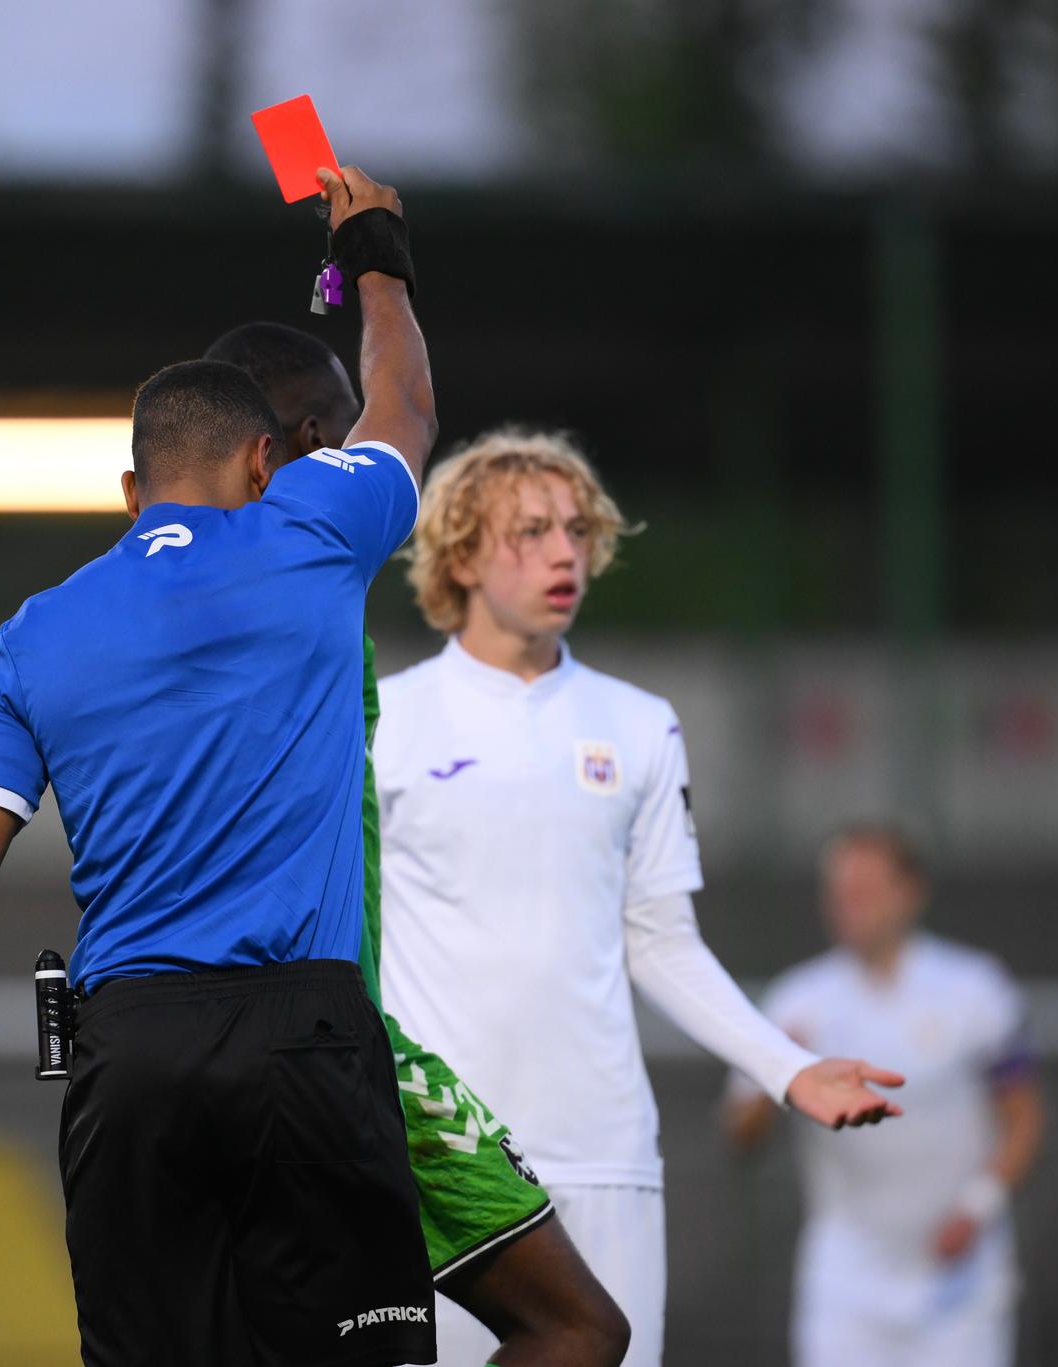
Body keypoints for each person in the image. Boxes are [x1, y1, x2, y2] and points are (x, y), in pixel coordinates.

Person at [0, 164, 443, 1367]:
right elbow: (402, 413)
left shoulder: (24, 643)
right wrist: (378, 259)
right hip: (308, 1034)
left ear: (130, 489)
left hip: (130, 1052)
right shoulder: (309, 530)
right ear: (263, 463)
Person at [371, 430, 907, 1366]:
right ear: (459, 554)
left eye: (577, 530)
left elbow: (661, 939)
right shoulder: (387, 720)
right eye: (530, 531)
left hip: (605, 1148)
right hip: (442, 1161)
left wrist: (787, 1068)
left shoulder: (638, 724)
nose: (564, 552)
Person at [206, 320, 633, 1367]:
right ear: (296, 449)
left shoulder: (101, 619)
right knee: (580, 1327)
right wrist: (379, 266)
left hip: (167, 1052)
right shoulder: (308, 561)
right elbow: (412, 412)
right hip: (329, 1040)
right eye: (342, 442)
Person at [722, 824, 1046, 1367]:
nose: (849, 907)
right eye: (839, 893)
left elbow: (1024, 1116)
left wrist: (976, 1207)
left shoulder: (975, 990)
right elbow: (739, 1136)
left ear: (909, 893)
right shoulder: (797, 1001)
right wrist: (771, 1075)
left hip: (958, 1272)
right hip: (847, 1277)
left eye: (865, 891)